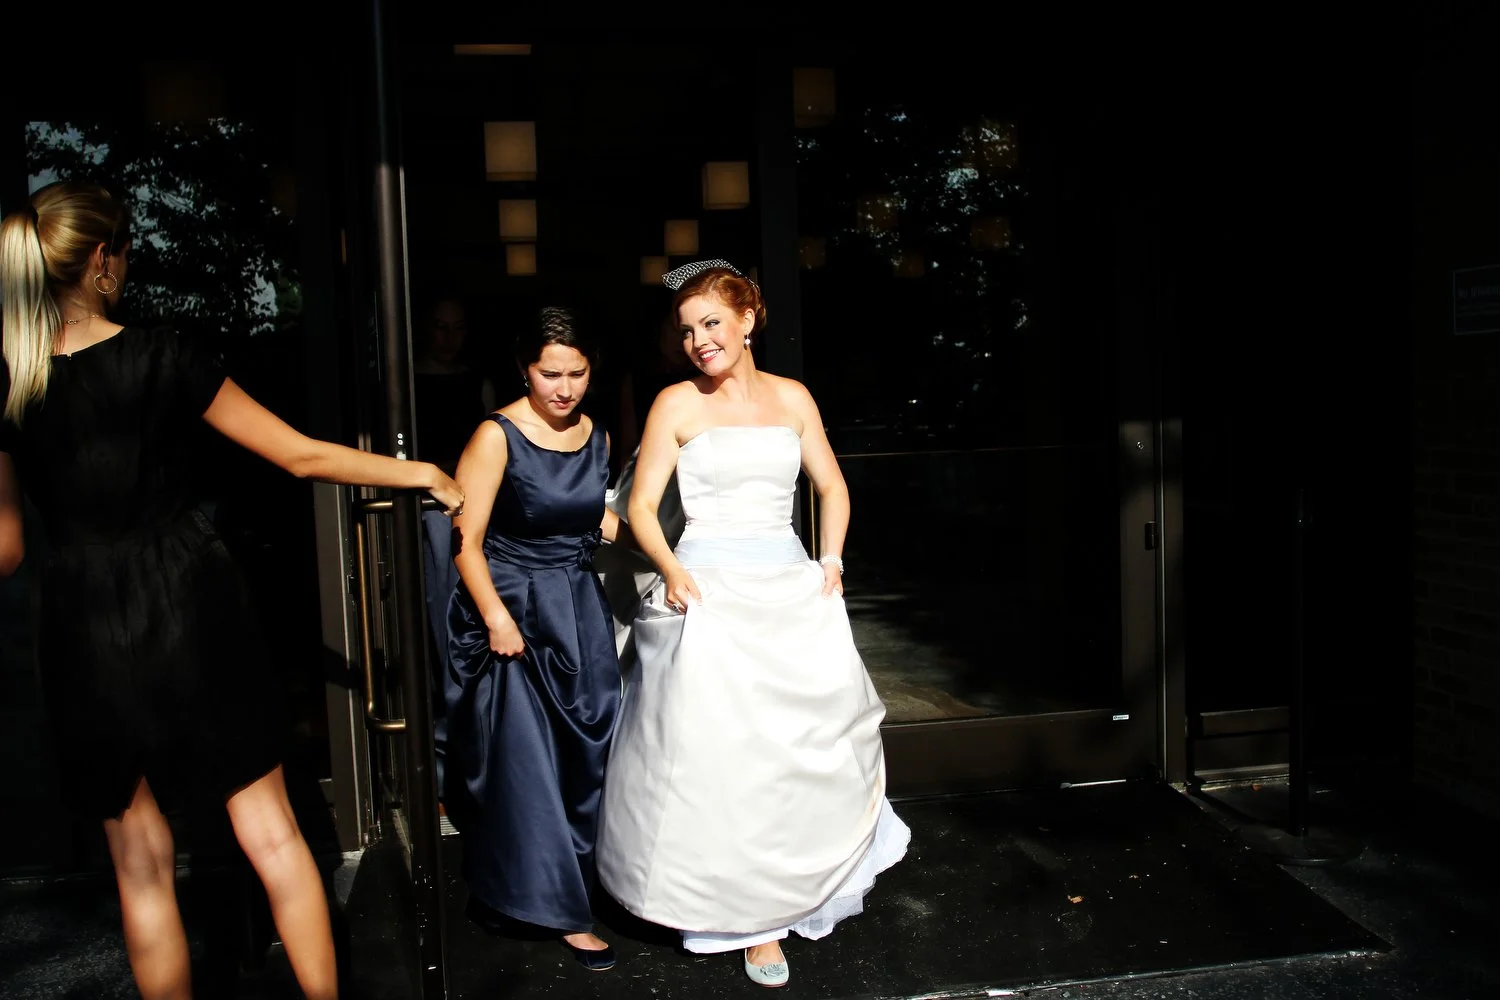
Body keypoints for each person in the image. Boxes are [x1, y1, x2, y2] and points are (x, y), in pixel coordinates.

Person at [0, 180, 464, 1000]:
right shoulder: (165, 355)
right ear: (104, 261)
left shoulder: (12, 386)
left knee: (141, 871)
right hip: (191, 606)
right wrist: (419, 471)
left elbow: (5, 549)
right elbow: (299, 456)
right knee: (274, 837)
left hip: (81, 626)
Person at [595, 259, 910, 988]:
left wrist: (830, 560)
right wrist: (673, 572)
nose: (699, 340)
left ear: (748, 319)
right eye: (687, 330)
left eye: (711, 323)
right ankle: (749, 922)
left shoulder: (793, 397)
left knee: (792, 752)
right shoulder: (675, 403)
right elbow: (641, 507)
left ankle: (799, 887)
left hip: (789, 587)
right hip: (708, 591)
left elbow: (831, 484)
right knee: (720, 759)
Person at [443, 306, 630, 972]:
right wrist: (494, 616)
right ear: (524, 369)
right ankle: (558, 909)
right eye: (550, 373)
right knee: (531, 763)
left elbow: (592, 517)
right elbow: (466, 538)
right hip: (514, 607)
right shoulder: (496, 436)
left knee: (591, 744)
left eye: (577, 373)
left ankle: (583, 880)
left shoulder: (598, 437)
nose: (565, 387)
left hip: (578, 606)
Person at [410, 291, 497, 792]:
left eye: (458, 327)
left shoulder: (476, 383)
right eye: (440, 327)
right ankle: (446, 761)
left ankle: (477, 752)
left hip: (474, 511)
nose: (448, 338)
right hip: (428, 516)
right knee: (440, 629)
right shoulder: (403, 381)